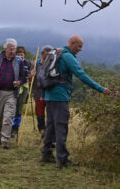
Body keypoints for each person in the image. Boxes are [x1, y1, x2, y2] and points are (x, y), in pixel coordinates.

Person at [40, 35, 112, 168]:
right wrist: (100, 88)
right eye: (79, 46)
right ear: (72, 43)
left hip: (49, 95)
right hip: (60, 96)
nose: (81, 49)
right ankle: (62, 159)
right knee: (61, 127)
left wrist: (44, 95)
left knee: (50, 126)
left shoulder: (56, 52)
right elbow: (81, 75)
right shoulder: (67, 57)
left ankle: (46, 154)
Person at [0, 38, 28, 149]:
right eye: (10, 49)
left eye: (14, 49)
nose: (12, 51)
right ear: (5, 48)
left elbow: (24, 77)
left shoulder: (19, 61)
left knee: (8, 117)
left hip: (11, 93)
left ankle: (5, 140)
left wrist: (20, 82)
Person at [10, 46, 32, 138]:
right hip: (13, 87)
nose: (20, 56)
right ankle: (8, 126)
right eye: (18, 54)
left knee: (19, 108)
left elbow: (31, 75)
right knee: (11, 107)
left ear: (24, 55)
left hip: (24, 88)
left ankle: (15, 128)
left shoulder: (28, 63)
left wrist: (31, 76)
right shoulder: (12, 62)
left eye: (22, 54)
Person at [32, 46, 52, 139]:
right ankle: (42, 132)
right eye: (46, 54)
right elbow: (29, 79)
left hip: (49, 93)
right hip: (38, 93)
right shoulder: (35, 64)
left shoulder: (53, 64)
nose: (48, 56)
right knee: (40, 114)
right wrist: (31, 75)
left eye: (50, 55)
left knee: (50, 115)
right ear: (42, 54)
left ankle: (48, 134)